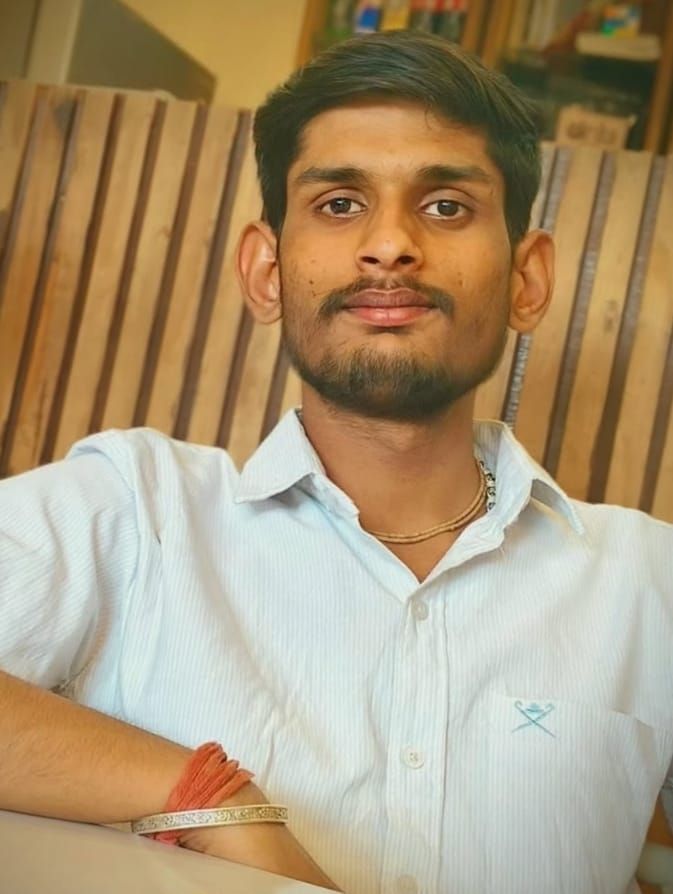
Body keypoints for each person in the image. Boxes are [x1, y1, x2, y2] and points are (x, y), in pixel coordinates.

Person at [0, 29, 672, 894]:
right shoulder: (133, 509)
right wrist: (203, 796)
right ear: (267, 271)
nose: (389, 245)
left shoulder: (651, 581)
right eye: (340, 204)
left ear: (526, 279)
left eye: (445, 207)